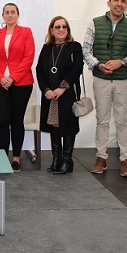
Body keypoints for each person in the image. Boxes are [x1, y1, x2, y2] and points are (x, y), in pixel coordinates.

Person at [83, 0, 127, 177]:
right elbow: (86, 51)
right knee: (102, 120)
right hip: (101, 79)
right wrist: (98, 65)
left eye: (123, 1)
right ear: (109, 2)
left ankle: (125, 160)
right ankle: (101, 157)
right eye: (116, 0)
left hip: (123, 79)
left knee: (123, 121)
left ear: (126, 5)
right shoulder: (95, 23)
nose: (119, 4)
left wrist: (121, 62)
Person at [0, 3, 35, 172]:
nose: (10, 15)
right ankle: (1, 157)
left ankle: (16, 158)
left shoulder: (26, 32)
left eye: (12, 12)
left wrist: (13, 77)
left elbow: (28, 57)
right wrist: (0, 78)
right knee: (2, 121)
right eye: (6, 12)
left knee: (16, 120)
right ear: (3, 16)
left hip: (21, 84)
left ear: (18, 14)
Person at [36, 16, 83, 174]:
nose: (61, 30)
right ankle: (57, 159)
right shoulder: (46, 48)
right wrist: (46, 89)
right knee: (53, 124)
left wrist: (62, 88)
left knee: (68, 126)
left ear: (68, 30)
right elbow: (39, 70)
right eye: (57, 27)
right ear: (51, 30)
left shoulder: (74, 47)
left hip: (67, 93)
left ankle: (67, 161)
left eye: (64, 27)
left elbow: (77, 68)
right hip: (50, 95)